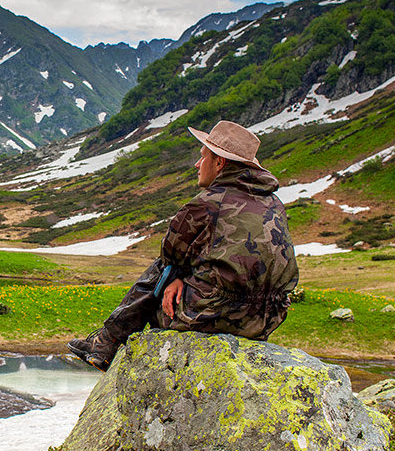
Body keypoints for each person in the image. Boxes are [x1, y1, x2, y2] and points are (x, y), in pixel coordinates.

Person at [68, 120, 299, 371]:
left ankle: (107, 342)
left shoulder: (209, 202)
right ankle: (106, 341)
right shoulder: (273, 202)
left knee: (160, 271)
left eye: (203, 157)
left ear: (220, 163)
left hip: (214, 314)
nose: (197, 165)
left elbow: (170, 254)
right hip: (267, 318)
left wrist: (174, 277)